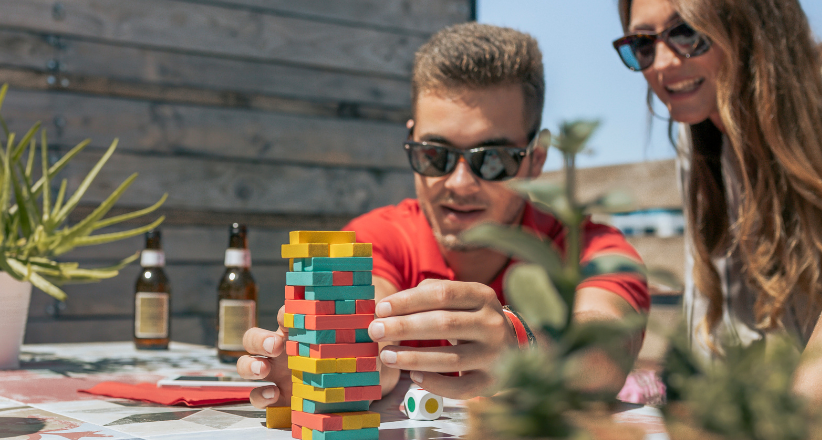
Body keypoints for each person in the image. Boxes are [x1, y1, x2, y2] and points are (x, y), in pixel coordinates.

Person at [237, 23, 650, 408]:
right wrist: (334, 365)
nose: (460, 183)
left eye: (492, 160)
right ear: (411, 143)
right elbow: (367, 312)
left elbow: (609, 349)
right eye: (435, 155)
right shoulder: (375, 237)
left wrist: (524, 345)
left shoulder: (594, 248)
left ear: (535, 159)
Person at [613, 0, 822, 429]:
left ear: (751, 21)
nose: (662, 63)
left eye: (687, 33)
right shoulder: (705, 147)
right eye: (642, 45)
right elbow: (719, 338)